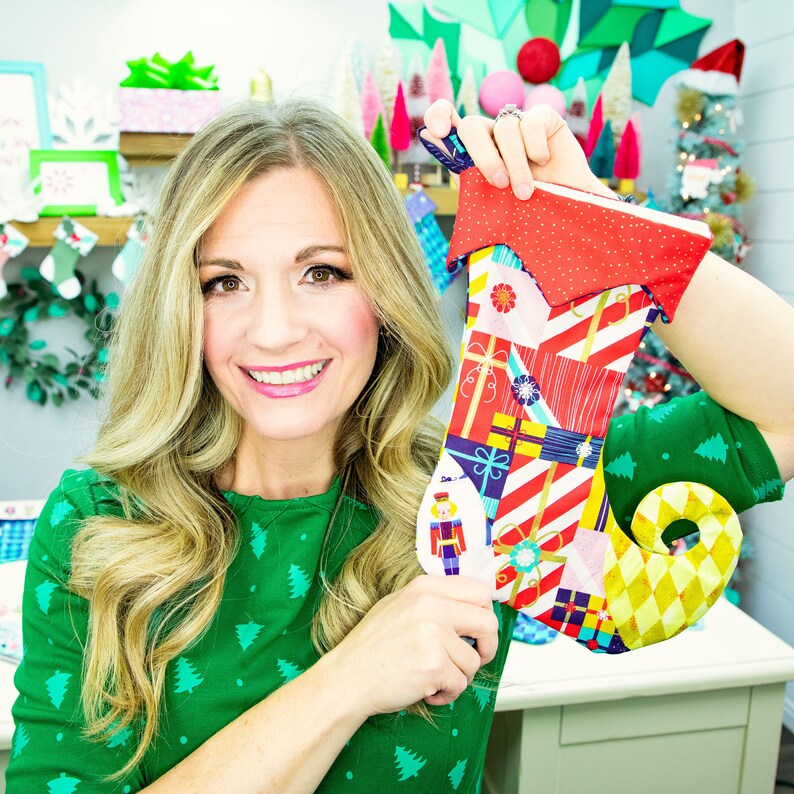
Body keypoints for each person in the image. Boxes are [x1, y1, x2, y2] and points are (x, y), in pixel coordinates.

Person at [5, 96, 793, 793]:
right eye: (225, 282)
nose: (275, 331)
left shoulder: (494, 481)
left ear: (381, 292)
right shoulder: (97, 526)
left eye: (322, 273)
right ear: (184, 306)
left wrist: (596, 221)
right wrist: (349, 679)